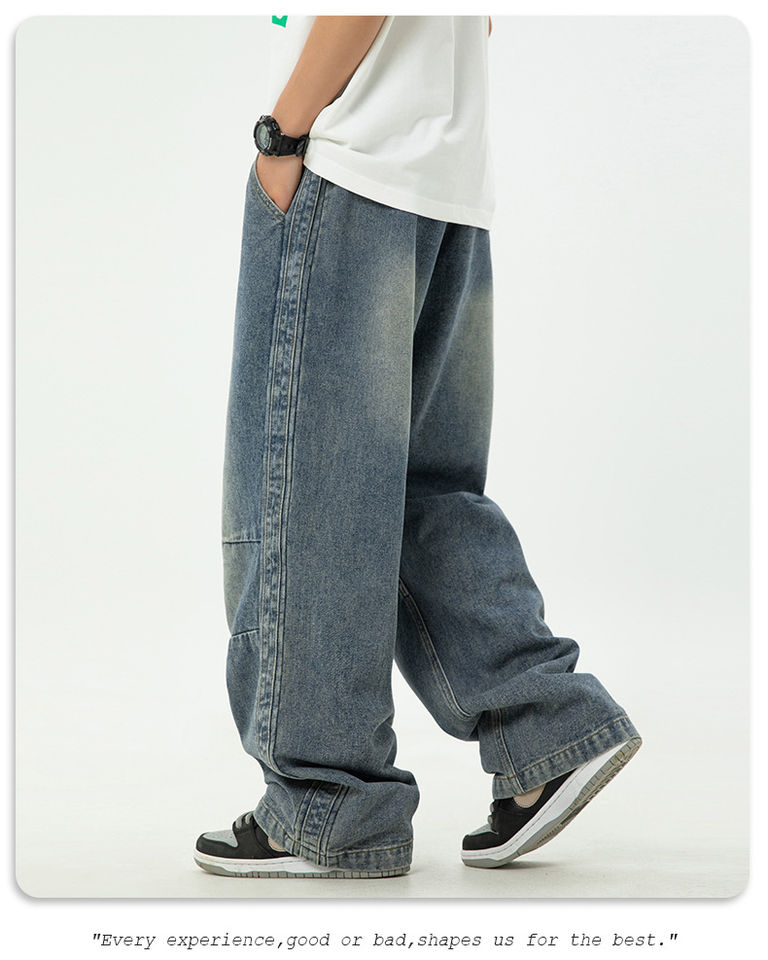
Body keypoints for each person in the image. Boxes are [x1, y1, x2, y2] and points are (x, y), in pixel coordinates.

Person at [194, 14, 641, 880]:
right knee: (416, 492)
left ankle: (327, 803)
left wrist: (283, 133)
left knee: (306, 500)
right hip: (444, 181)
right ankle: (545, 731)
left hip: (348, 166)